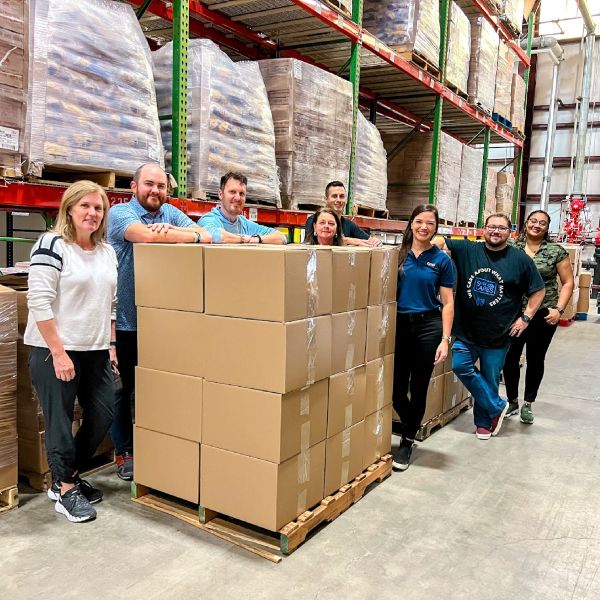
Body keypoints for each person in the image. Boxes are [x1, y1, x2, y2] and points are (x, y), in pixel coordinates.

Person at [108, 163, 211, 481]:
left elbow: (205, 235)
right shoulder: (119, 214)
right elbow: (143, 237)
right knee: (122, 391)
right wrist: (176, 236)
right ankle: (124, 452)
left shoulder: (170, 213)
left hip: (162, 322)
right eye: (149, 184)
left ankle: (156, 444)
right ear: (133, 186)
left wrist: (178, 234)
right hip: (126, 321)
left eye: (162, 186)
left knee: (158, 387)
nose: (156, 191)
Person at [25, 180, 118, 522]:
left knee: (103, 414)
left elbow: (111, 303)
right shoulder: (52, 244)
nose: (92, 213)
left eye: (99, 208)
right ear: (69, 208)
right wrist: (58, 352)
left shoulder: (106, 251)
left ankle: (68, 474)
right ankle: (65, 488)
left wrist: (109, 345)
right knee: (60, 421)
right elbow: (38, 300)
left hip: (95, 350)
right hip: (54, 348)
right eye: (86, 206)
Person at [434, 213, 546, 440]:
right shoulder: (468, 250)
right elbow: (439, 240)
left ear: (510, 232)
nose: (496, 231)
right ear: (483, 229)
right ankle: (497, 406)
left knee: (490, 378)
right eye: (492, 227)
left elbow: (538, 290)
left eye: (502, 228)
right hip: (466, 330)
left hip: (499, 334)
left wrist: (526, 318)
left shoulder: (520, 260)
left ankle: (484, 423)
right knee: (460, 365)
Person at [392, 205, 455, 471]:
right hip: (399, 325)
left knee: (418, 386)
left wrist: (445, 339)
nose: (423, 227)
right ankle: (412, 426)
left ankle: (406, 441)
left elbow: (448, 302)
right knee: (395, 389)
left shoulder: (442, 260)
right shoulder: (397, 254)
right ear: (411, 223)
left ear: (435, 228)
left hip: (427, 326)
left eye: (430, 223)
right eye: (419, 221)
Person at [502, 210, 574, 424]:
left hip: (543, 314)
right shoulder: (511, 247)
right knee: (510, 357)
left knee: (535, 358)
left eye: (542, 223)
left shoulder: (555, 251)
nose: (537, 225)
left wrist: (558, 310)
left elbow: (568, 282)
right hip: (514, 313)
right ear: (526, 223)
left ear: (547, 227)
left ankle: (528, 404)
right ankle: (512, 401)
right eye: (533, 221)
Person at [198, 172, 288, 244]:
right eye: (232, 192)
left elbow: (281, 237)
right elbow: (215, 236)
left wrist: (256, 239)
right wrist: (243, 238)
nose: (238, 198)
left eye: (241, 194)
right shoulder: (209, 219)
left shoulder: (244, 224)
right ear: (221, 194)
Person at [304, 181, 383, 247]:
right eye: (334, 196)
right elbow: (319, 240)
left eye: (341, 196)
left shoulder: (349, 224)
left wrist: (375, 241)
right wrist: (348, 240)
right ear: (326, 199)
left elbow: (368, 240)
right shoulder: (313, 220)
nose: (338, 200)